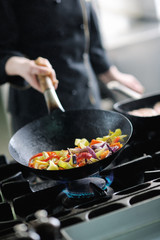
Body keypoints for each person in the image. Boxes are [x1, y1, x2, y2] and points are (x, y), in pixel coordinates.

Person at [0, 0, 144, 133]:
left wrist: (112, 74)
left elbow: (90, 39)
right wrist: (22, 65)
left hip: (87, 99)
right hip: (38, 110)